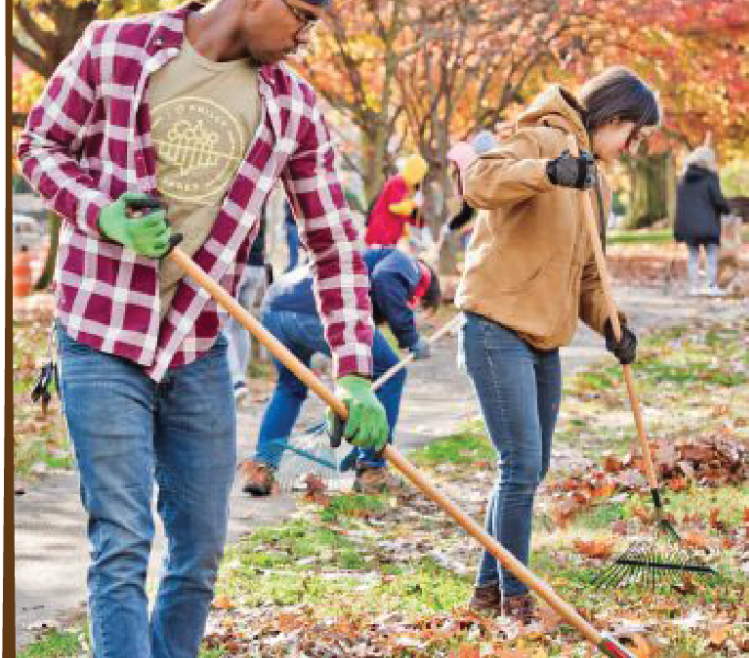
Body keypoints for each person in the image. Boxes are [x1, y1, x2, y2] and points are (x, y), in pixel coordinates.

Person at [16, 2, 389, 656]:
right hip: (100, 333)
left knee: (199, 551)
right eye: (303, 16)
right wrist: (101, 214)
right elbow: (38, 144)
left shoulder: (293, 108)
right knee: (123, 540)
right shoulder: (115, 47)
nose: (306, 38)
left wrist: (355, 373)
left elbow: (333, 249)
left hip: (196, 345)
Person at [456, 66, 660, 622]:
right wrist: (549, 171)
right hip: (496, 325)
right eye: (632, 133)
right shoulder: (540, 137)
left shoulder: (596, 183)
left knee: (531, 466)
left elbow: (589, 276)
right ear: (613, 118)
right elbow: (478, 183)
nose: (632, 146)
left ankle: (488, 589)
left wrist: (612, 324)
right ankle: (517, 600)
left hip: (544, 335)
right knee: (520, 464)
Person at [240, 248, 442, 495]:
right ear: (423, 289)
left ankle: (262, 466)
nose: (413, 311)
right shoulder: (408, 265)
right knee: (391, 372)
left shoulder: (369, 262)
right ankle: (372, 469)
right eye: (418, 307)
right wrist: (410, 337)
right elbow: (386, 279)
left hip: (276, 306)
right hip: (318, 306)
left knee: (290, 387)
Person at [673, 141, 730, 296]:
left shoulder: (682, 180)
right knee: (711, 255)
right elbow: (717, 199)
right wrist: (727, 209)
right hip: (708, 225)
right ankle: (710, 286)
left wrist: (678, 230)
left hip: (688, 227)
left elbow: (680, 207)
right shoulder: (710, 178)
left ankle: (694, 288)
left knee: (693, 256)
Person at [226, 221, 267, 403]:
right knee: (241, 325)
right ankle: (241, 380)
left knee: (223, 325)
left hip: (237, 262)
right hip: (257, 265)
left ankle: (236, 381)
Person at [364, 154, 429, 248]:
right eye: (421, 174)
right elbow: (394, 207)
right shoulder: (398, 182)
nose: (421, 178)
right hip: (382, 235)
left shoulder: (405, 185)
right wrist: (412, 204)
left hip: (388, 236)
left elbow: (403, 213)